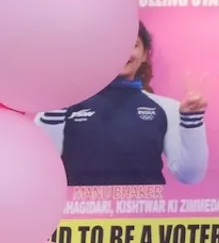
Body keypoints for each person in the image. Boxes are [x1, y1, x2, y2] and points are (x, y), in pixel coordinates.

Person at [37, 22, 208, 186]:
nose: (122, 52)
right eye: (113, 44)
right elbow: (42, 169)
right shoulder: (61, 104)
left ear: (144, 54)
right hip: (79, 215)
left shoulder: (168, 109)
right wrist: (55, 106)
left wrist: (191, 120)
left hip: (144, 215)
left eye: (133, 44)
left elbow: (190, 176)